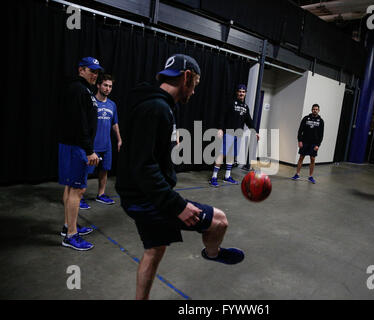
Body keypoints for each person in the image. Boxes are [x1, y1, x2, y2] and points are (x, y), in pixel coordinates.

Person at [115, 54, 245, 300]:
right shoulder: (157, 108)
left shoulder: (151, 102)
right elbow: (144, 167)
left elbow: (138, 153)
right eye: (195, 83)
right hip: (147, 200)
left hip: (138, 195)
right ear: (186, 77)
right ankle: (213, 254)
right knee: (220, 221)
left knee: (155, 249)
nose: (194, 91)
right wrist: (178, 206)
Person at [58, 57, 102, 250]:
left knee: (70, 188)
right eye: (91, 70)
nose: (95, 74)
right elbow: (79, 122)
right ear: (81, 70)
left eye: (97, 71)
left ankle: (69, 226)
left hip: (74, 145)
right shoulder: (78, 89)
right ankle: (71, 236)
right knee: (78, 190)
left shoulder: (83, 89)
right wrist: (89, 150)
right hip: (76, 146)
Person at [82, 74, 122, 209]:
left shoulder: (112, 105)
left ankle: (101, 194)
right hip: (92, 146)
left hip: (107, 145)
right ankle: (79, 197)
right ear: (98, 85)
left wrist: (119, 140)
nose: (108, 88)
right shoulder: (91, 101)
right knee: (85, 172)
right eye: (105, 85)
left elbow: (114, 123)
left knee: (104, 170)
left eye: (110, 86)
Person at [210, 84, 259, 187]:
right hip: (229, 132)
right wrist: (220, 128)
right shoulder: (231, 103)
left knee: (232, 155)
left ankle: (227, 177)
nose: (241, 93)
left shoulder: (245, 107)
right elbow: (223, 116)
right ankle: (214, 177)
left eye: (243, 92)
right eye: (240, 91)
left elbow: (249, 121)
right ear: (237, 92)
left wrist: (255, 131)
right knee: (222, 154)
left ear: (245, 93)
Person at [291, 104, 324, 184]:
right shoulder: (306, 118)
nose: (315, 110)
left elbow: (321, 134)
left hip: (314, 143)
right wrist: (300, 141)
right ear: (311, 110)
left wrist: (318, 145)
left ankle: (310, 176)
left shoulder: (321, 121)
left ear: (318, 110)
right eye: (313, 109)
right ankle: (297, 174)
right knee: (301, 157)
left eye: (316, 109)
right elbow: (300, 130)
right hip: (305, 142)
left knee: (312, 159)